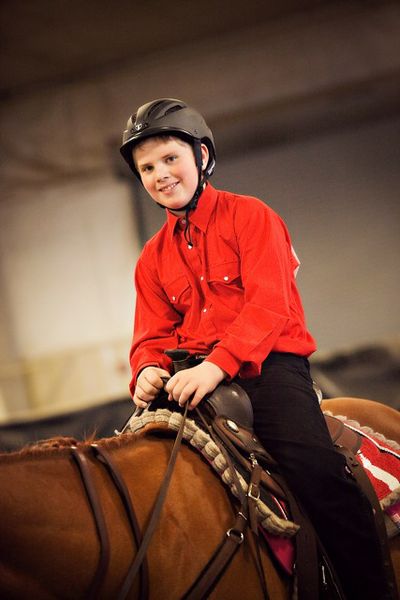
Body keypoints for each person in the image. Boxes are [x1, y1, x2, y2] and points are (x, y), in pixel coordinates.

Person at [120, 98, 394, 599]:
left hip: (268, 369)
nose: (161, 174)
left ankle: (373, 590)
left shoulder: (251, 216)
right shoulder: (150, 259)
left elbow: (269, 308)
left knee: (319, 473)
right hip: (189, 379)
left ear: (202, 156)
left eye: (171, 158)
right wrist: (145, 371)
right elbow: (151, 335)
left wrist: (217, 366)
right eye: (147, 167)